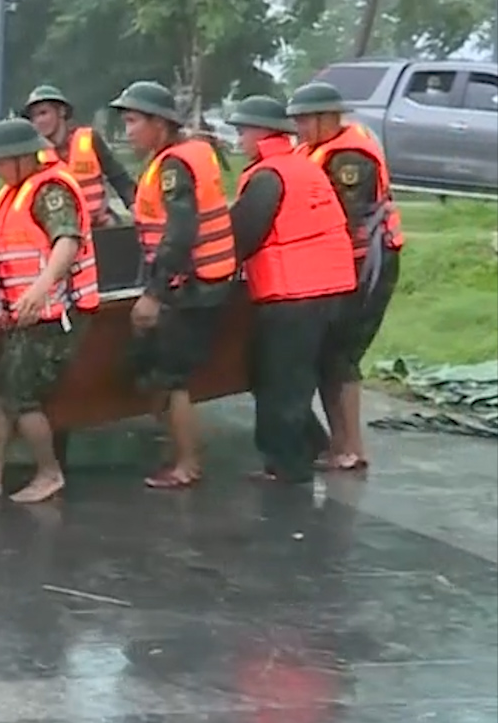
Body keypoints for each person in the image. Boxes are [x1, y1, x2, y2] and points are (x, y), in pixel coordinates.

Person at [0, 120, 100, 504]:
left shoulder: (49, 192)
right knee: (4, 386)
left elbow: (66, 242)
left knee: (20, 392)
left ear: (22, 158)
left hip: (55, 313)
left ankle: (49, 474)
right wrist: (8, 311)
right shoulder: (15, 192)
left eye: (0, 161)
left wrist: (39, 288)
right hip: (27, 313)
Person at [111, 81, 237, 489]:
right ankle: (178, 454)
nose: (127, 131)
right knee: (166, 373)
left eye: (133, 121)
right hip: (205, 278)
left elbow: (180, 233)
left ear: (160, 124)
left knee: (173, 376)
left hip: (191, 285)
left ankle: (186, 464)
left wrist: (153, 294)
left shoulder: (173, 166)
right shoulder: (185, 156)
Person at [226, 95, 356, 484]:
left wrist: (210, 265)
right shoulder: (302, 168)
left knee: (280, 379)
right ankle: (310, 443)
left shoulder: (268, 176)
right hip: (331, 290)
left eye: (244, 131)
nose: (239, 139)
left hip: (294, 294)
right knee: (290, 376)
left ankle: (288, 465)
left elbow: (243, 234)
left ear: (264, 133)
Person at [287, 80, 405, 473]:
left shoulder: (350, 159)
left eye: (305, 120)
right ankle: (337, 444)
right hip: (334, 266)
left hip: (366, 265)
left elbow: (342, 216)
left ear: (328, 118)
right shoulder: (314, 150)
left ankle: (352, 448)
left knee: (341, 354)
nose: (299, 129)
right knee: (327, 354)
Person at [21, 84, 136, 226]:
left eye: (43, 113)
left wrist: (134, 206)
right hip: (62, 232)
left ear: (61, 111)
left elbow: (119, 178)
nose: (38, 121)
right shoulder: (35, 155)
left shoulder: (89, 139)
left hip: (99, 225)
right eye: (33, 117)